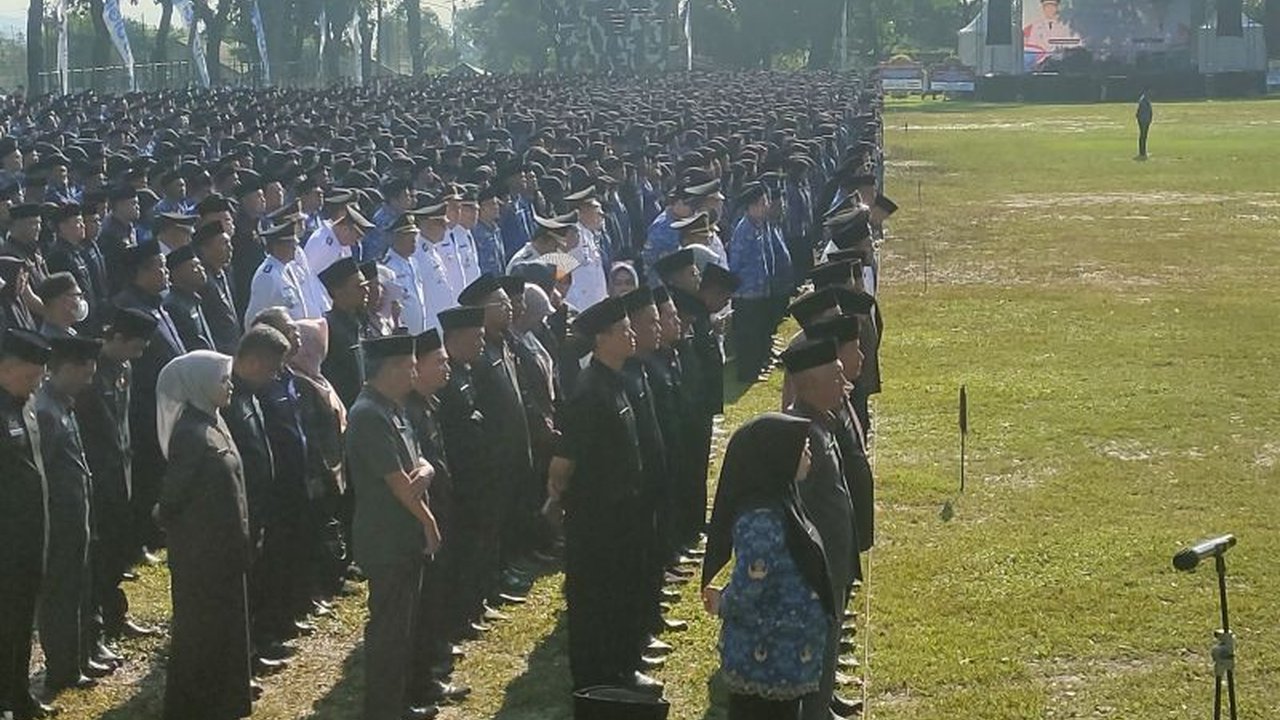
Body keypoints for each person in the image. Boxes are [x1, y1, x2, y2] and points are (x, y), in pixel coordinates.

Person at [546, 297, 661, 694]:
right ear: (601, 339)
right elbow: (563, 464)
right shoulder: (588, 391)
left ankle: (622, 666)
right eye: (624, 330)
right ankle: (600, 677)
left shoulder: (618, 379)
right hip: (597, 519)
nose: (632, 335)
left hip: (624, 512)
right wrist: (564, 503)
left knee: (623, 592)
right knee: (598, 597)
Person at [701, 413, 835, 720]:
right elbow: (751, 581)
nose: (809, 453)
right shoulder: (761, 519)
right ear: (775, 458)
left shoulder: (783, 500)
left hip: (786, 653)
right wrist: (724, 602)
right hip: (765, 657)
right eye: (801, 449)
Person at [346, 333, 442, 720]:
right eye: (409, 366)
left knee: (404, 630)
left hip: (403, 534)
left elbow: (420, 462)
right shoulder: (368, 413)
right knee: (388, 632)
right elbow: (399, 482)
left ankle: (399, 704)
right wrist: (430, 524)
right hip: (387, 537)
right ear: (391, 369)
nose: (415, 372)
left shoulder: (394, 408)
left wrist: (427, 471)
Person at [155, 350, 254, 720]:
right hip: (203, 552)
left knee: (225, 627)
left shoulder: (214, 422)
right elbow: (173, 494)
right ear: (199, 384)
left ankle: (225, 699)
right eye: (221, 380)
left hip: (224, 547)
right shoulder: (191, 433)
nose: (229, 386)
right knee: (201, 631)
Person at [780, 339, 858, 720]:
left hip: (835, 554)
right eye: (836, 378)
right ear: (811, 384)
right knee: (818, 643)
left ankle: (824, 703)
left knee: (830, 640)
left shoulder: (824, 421)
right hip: (819, 560)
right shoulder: (801, 432)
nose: (844, 385)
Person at [76, 308, 155, 657]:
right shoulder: (89, 372)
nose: (136, 356)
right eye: (134, 347)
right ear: (116, 339)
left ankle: (115, 614)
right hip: (96, 475)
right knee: (99, 554)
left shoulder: (124, 368)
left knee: (117, 550)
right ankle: (94, 627)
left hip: (122, 470)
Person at [35, 336, 106, 696]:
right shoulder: (45, 411)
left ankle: (79, 656)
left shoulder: (64, 403)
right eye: (83, 374)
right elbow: (42, 473)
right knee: (62, 594)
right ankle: (62, 668)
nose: (88, 381)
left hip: (78, 514)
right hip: (61, 520)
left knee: (81, 588)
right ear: (62, 369)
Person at [0, 329, 54, 720]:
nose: (36, 385)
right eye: (29, 377)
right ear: (7, 368)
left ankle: (18, 695)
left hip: (29, 536)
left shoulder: (26, 404)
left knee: (20, 624)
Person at [1136, 90, 1153, 159]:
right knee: (1143, 136)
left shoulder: (1145, 99)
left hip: (1145, 120)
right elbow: (1140, 112)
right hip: (1143, 120)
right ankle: (1142, 152)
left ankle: (1143, 151)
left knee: (1144, 136)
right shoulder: (1143, 100)